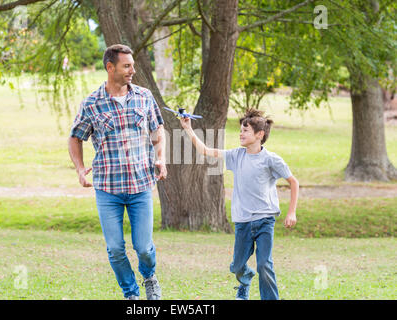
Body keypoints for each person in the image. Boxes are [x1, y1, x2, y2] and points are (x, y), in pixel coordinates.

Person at [68, 44, 167, 300]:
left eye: (133, 65)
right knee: (114, 249)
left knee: (144, 248)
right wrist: (80, 169)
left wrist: (161, 158)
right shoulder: (92, 103)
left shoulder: (144, 97)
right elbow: (75, 138)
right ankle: (131, 294)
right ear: (110, 67)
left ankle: (149, 277)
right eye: (127, 66)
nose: (133, 70)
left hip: (141, 185)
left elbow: (158, 130)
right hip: (108, 189)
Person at [180, 108, 299, 300]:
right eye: (241, 130)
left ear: (259, 135)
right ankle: (245, 279)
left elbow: (293, 182)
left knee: (264, 264)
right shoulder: (236, 156)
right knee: (237, 266)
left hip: (264, 220)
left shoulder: (271, 159)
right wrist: (188, 128)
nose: (241, 134)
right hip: (243, 221)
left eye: (246, 130)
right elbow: (205, 151)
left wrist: (291, 212)